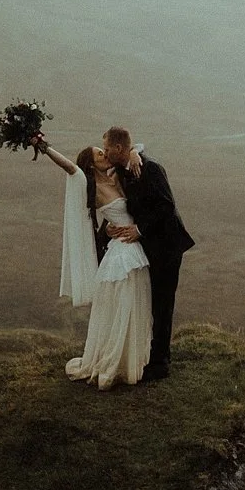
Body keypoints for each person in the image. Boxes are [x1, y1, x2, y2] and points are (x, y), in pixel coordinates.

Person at [33, 133, 153, 388]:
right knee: (121, 307)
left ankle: (129, 362)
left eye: (105, 151)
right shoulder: (90, 187)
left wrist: (133, 153)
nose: (106, 155)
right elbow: (68, 166)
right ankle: (111, 363)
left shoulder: (117, 176)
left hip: (134, 248)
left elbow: (133, 148)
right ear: (90, 165)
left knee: (134, 306)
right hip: (121, 256)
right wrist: (42, 146)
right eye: (100, 154)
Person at [100, 126, 194, 380]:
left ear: (119, 148)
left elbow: (166, 205)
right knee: (151, 301)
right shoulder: (122, 169)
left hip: (167, 246)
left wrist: (140, 229)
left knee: (163, 302)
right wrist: (110, 228)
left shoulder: (151, 169)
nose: (105, 152)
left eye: (108, 147)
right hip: (150, 248)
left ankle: (160, 362)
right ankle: (151, 354)